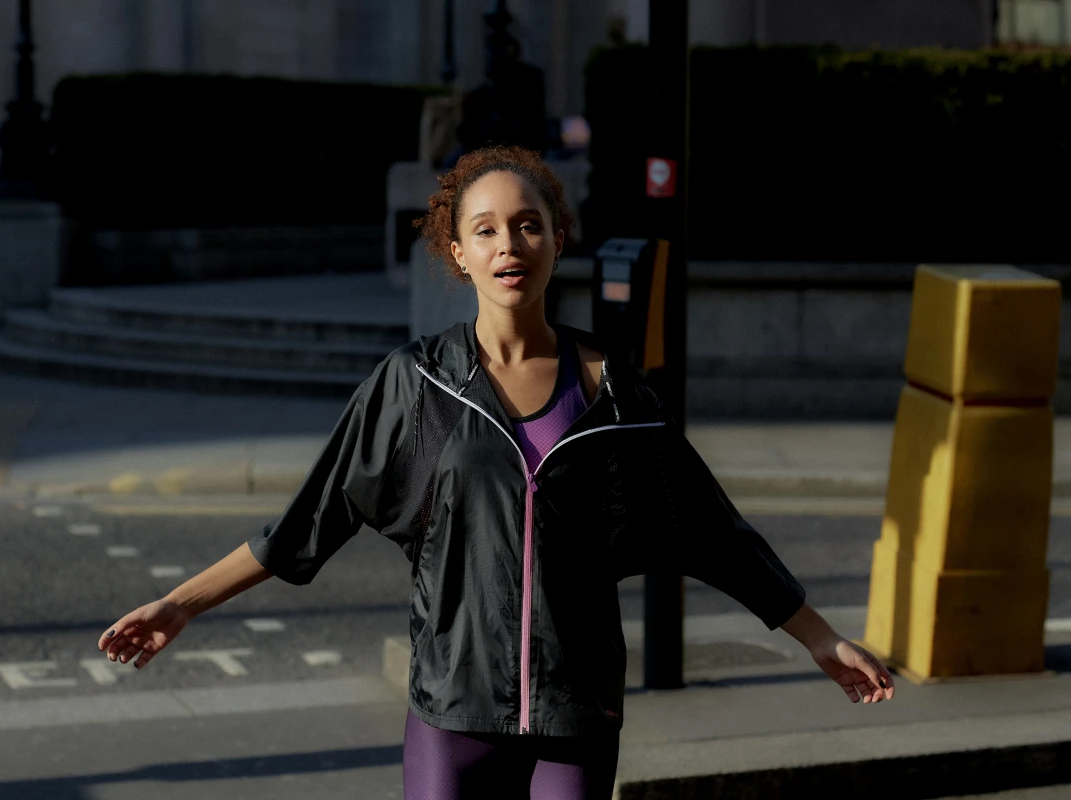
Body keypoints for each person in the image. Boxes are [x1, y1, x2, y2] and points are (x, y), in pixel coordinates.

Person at [97, 145, 896, 799]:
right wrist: (179, 604)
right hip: (452, 710)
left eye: (527, 226)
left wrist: (818, 638)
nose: (509, 246)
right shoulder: (416, 383)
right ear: (457, 250)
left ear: (558, 238)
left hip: (577, 713)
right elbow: (308, 521)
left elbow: (710, 528)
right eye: (486, 231)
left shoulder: (616, 388)